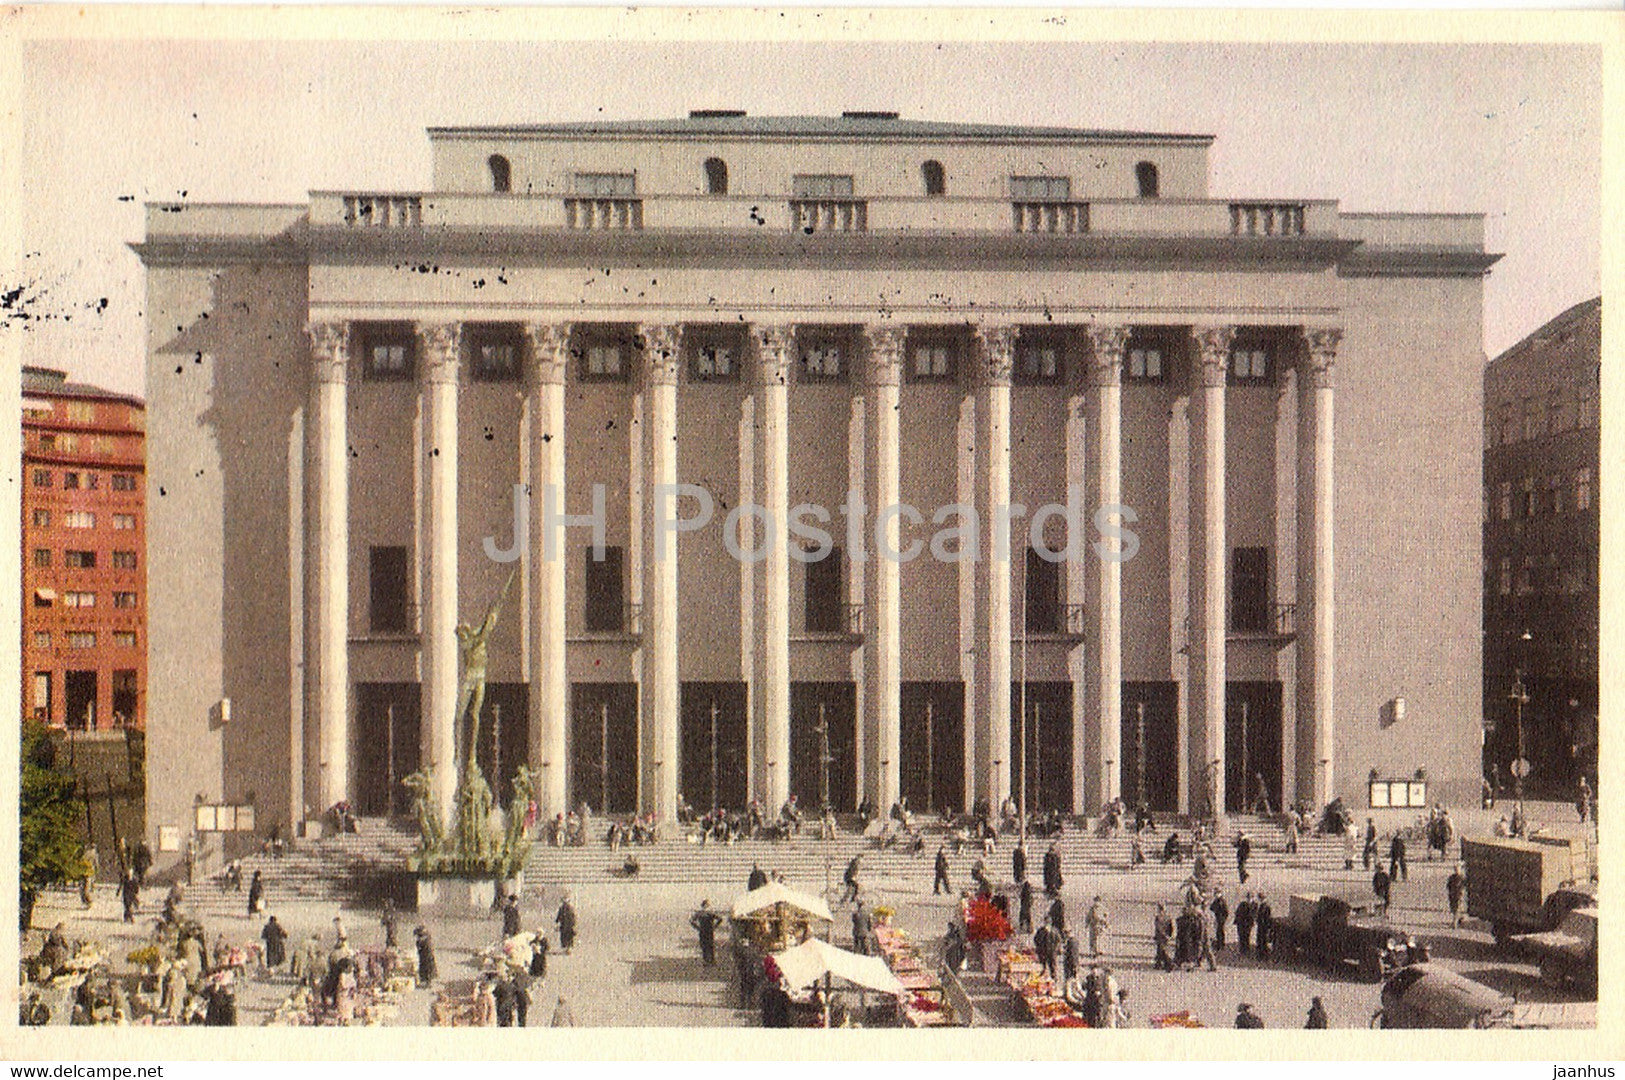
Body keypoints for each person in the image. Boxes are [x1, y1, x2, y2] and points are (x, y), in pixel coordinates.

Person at [691, 899, 723, 966]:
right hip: (709, 931)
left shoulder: (700, 913)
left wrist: (697, 928)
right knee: (710, 945)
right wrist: (715, 926)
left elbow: (691, 921)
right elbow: (720, 919)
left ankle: (706, 961)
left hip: (703, 931)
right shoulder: (710, 913)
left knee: (704, 946)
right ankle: (712, 961)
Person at [1152, 903, 1174, 972]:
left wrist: (1161, 935)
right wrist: (1169, 935)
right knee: (1160, 950)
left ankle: (1168, 963)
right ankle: (1158, 963)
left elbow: (1158, 928)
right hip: (1165, 936)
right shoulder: (1168, 917)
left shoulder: (1158, 917)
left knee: (1162, 950)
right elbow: (1171, 927)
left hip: (1161, 936)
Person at [1196, 904, 1218, 971]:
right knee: (1202, 949)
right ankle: (1199, 962)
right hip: (1208, 933)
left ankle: (1213, 966)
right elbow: (1215, 924)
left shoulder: (1202, 914)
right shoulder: (1211, 914)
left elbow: (1211, 924)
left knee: (1207, 949)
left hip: (1205, 933)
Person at [1254, 895, 1274, 960]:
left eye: (1262, 899)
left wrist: (1267, 927)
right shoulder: (1260, 906)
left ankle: (1264, 956)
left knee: (1264, 941)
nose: (1261, 900)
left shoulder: (1266, 907)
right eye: (1260, 898)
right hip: (1260, 926)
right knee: (1259, 940)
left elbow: (1268, 918)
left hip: (1264, 927)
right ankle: (1260, 955)